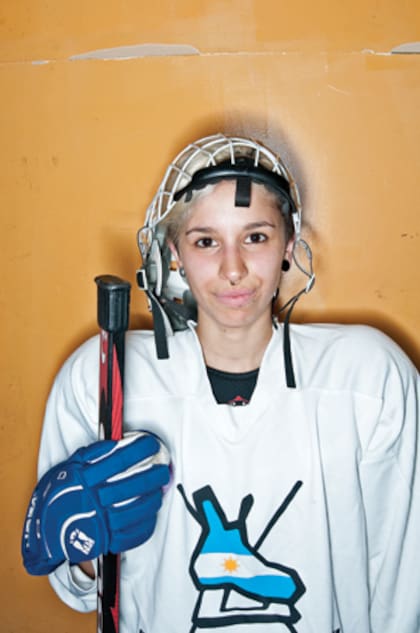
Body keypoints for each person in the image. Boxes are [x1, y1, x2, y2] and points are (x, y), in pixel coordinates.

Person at [22, 133, 419, 633]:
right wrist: (80, 540)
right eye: (206, 241)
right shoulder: (103, 375)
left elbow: (402, 581)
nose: (233, 269)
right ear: (174, 253)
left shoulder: (369, 377)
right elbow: (79, 588)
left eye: (256, 237)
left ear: (289, 246)